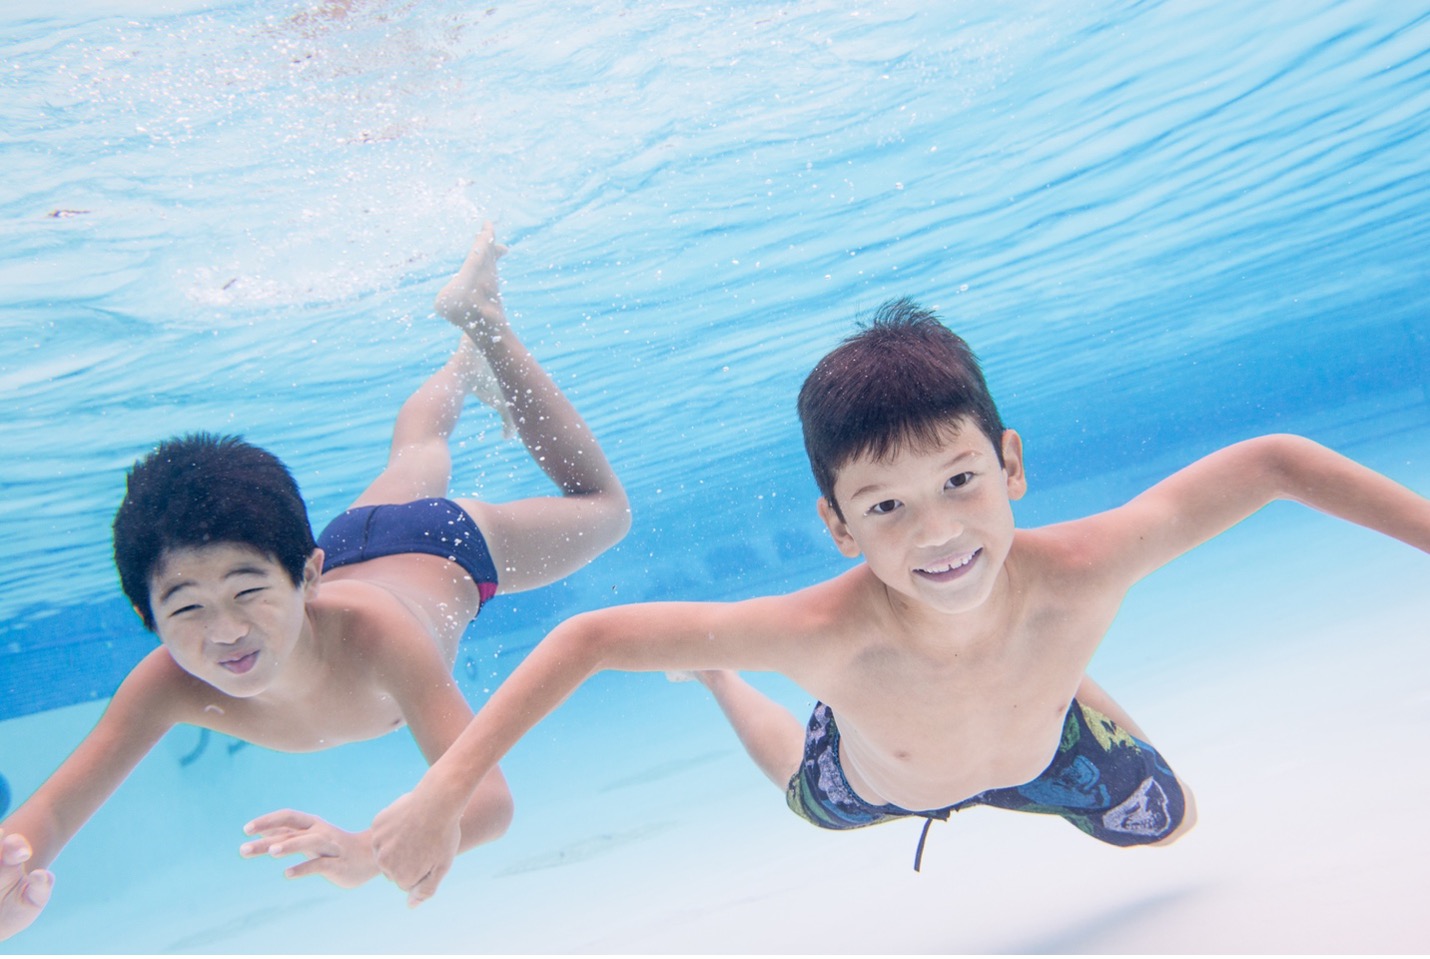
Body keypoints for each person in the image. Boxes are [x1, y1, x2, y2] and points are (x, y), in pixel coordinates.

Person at [365, 298, 1430, 904]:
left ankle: (1051, 681)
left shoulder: (1084, 563)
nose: (934, 532)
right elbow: (591, 635)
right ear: (837, 526)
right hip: (866, 773)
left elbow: (1277, 461)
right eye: (884, 505)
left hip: (1039, 751)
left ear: (1009, 463)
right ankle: (722, 682)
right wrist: (438, 795)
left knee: (1171, 826)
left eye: (959, 481)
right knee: (801, 786)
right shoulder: (822, 630)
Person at [0, 223, 630, 942]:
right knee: (416, 448)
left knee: (603, 511)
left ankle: (486, 329)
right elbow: (47, 815)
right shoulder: (168, 682)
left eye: (245, 593)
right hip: (349, 543)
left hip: (442, 547)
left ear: (305, 577)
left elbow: (486, 796)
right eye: (185, 606)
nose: (225, 631)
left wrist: (371, 851)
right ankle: (461, 359)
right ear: (146, 612)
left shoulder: (381, 642)